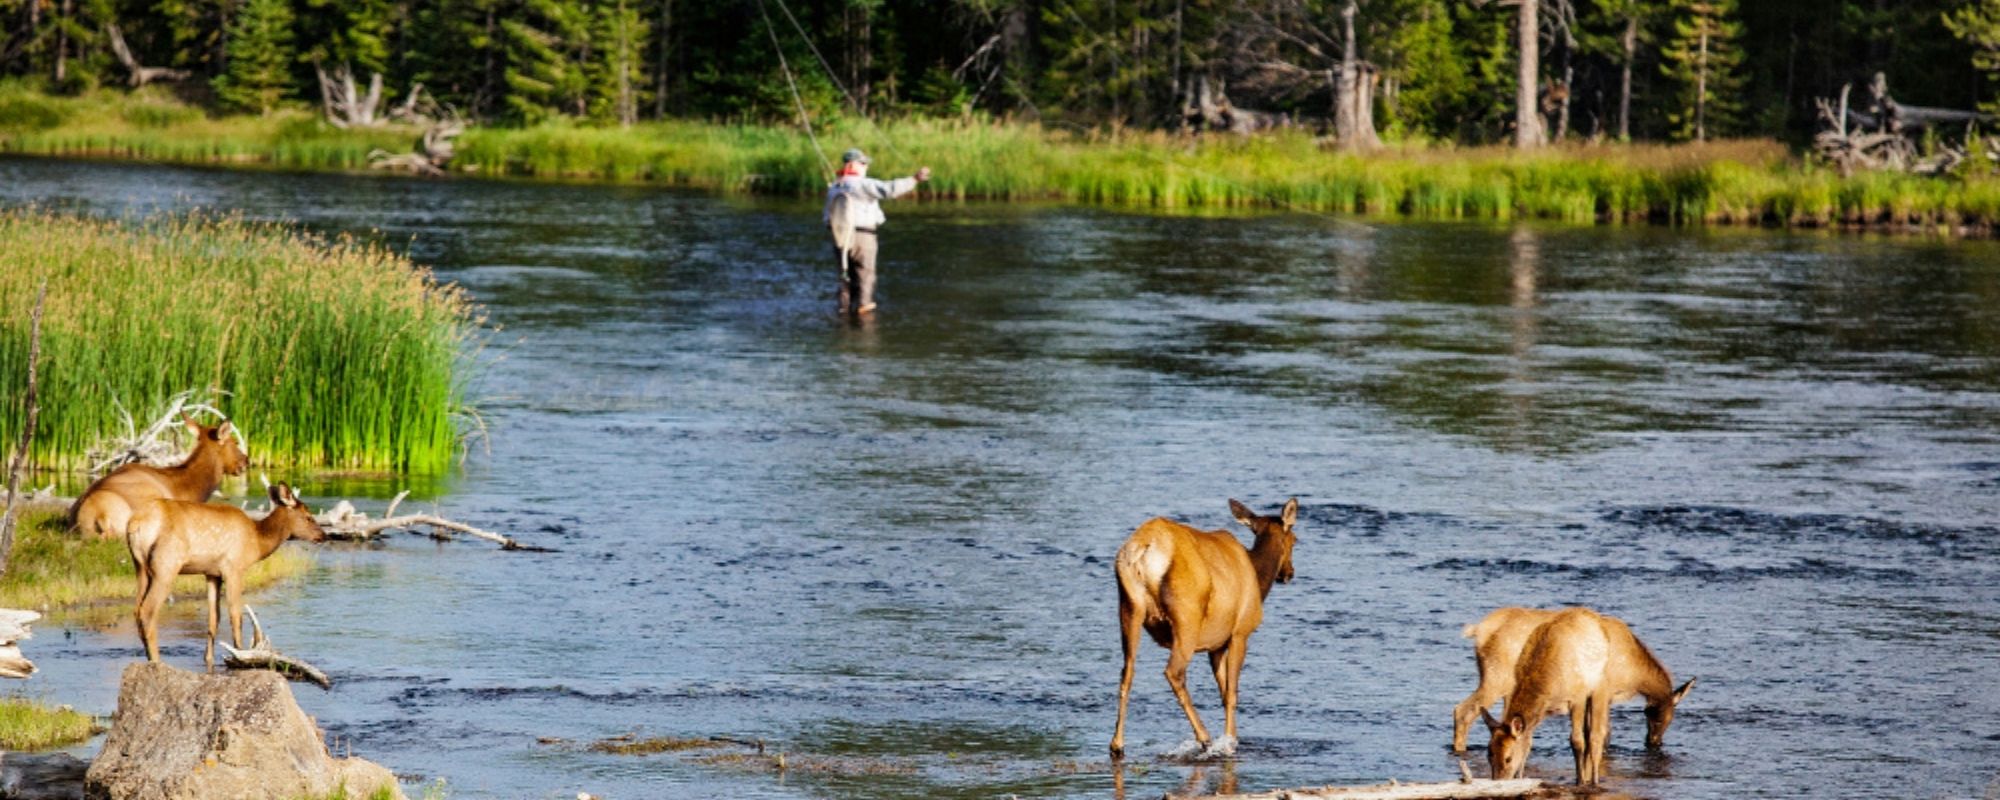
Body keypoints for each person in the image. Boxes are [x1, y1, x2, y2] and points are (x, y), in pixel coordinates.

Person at [824, 148, 931, 315]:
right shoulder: (863, 184)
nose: (866, 167)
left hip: (839, 237)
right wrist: (914, 179)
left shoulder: (834, 187)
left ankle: (843, 310)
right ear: (853, 164)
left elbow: (827, 217)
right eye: (863, 163)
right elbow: (890, 189)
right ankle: (863, 309)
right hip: (863, 236)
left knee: (845, 275)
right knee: (865, 273)